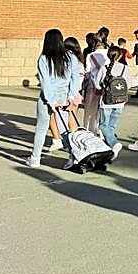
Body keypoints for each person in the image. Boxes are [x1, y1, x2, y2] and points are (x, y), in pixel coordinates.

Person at [27, 29, 82, 169]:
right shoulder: (70, 57)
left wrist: (51, 101)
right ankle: (72, 157)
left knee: (41, 128)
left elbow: (45, 82)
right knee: (64, 129)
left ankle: (35, 159)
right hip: (63, 96)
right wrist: (71, 96)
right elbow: (75, 78)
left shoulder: (44, 58)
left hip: (47, 98)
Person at [93, 44, 131, 158]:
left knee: (103, 125)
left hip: (107, 102)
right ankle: (110, 147)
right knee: (112, 126)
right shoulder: (125, 68)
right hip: (120, 101)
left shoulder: (104, 68)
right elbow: (129, 83)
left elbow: (97, 84)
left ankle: (114, 143)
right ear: (119, 56)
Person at [83, 36, 111, 136]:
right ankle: (101, 130)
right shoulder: (108, 55)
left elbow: (88, 71)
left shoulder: (90, 55)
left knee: (90, 109)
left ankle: (89, 129)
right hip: (106, 85)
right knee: (103, 110)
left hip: (93, 85)